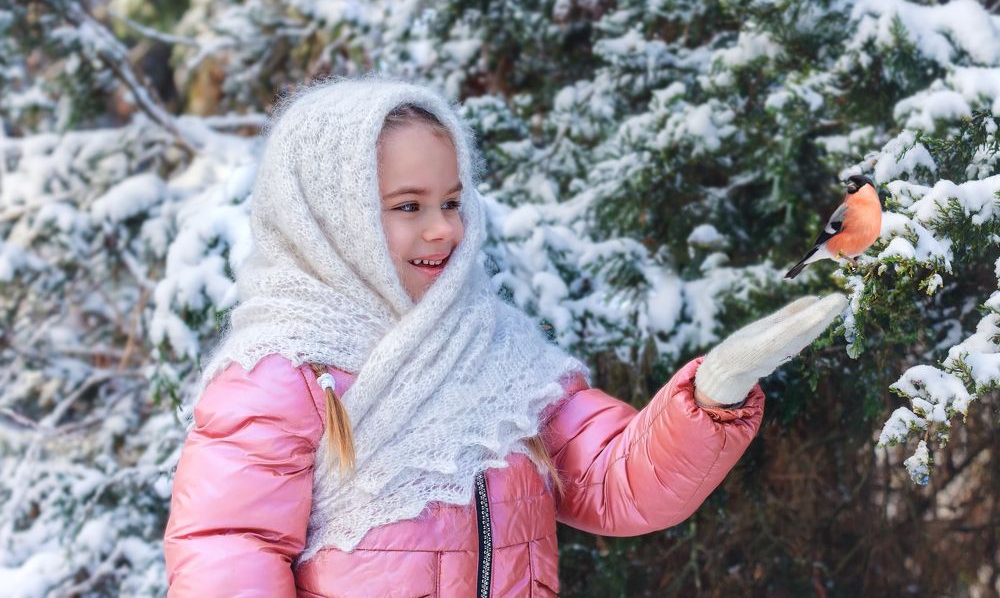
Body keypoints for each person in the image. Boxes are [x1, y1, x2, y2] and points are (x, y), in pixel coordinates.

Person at [162, 76, 847, 597]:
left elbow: (615, 480)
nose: (444, 229)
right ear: (329, 217)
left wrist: (712, 395)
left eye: (452, 201)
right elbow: (227, 550)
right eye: (408, 207)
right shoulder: (284, 373)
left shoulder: (497, 352)